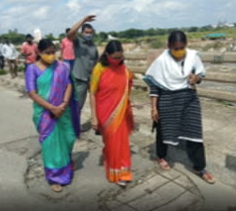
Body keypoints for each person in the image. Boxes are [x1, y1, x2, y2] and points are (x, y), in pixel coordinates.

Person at [144, 30, 215, 184]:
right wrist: (154, 108)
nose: (178, 51)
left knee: (194, 133)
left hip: (189, 100)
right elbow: (155, 88)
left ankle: (199, 167)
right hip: (167, 101)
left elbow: (200, 76)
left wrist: (197, 78)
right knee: (163, 130)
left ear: (186, 45)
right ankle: (161, 156)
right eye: (175, 48)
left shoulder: (192, 56)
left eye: (181, 47)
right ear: (169, 45)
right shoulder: (161, 61)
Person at [25, 39, 80, 193]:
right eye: (47, 53)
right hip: (45, 114)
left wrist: (63, 103)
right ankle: (55, 177)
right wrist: (51, 108)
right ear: (39, 53)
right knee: (51, 145)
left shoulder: (62, 66)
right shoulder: (32, 69)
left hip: (63, 110)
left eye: (53, 52)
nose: (51, 55)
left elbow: (69, 84)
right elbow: (32, 92)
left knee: (68, 139)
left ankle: (66, 164)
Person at [90, 40, 134, 187]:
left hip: (121, 111)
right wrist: (94, 116)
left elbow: (126, 85)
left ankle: (123, 173)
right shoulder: (99, 68)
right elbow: (92, 93)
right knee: (111, 143)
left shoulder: (123, 68)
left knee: (122, 143)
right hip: (105, 112)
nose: (117, 60)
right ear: (107, 54)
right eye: (114, 57)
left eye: (120, 57)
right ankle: (113, 171)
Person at [67, 15, 99, 111]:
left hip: (92, 79)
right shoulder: (78, 42)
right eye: (86, 32)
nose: (88, 35)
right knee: (78, 105)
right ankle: (74, 125)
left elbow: (96, 61)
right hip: (80, 80)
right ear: (82, 33)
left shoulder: (93, 45)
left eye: (90, 32)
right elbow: (70, 33)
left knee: (97, 102)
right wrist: (83, 20)